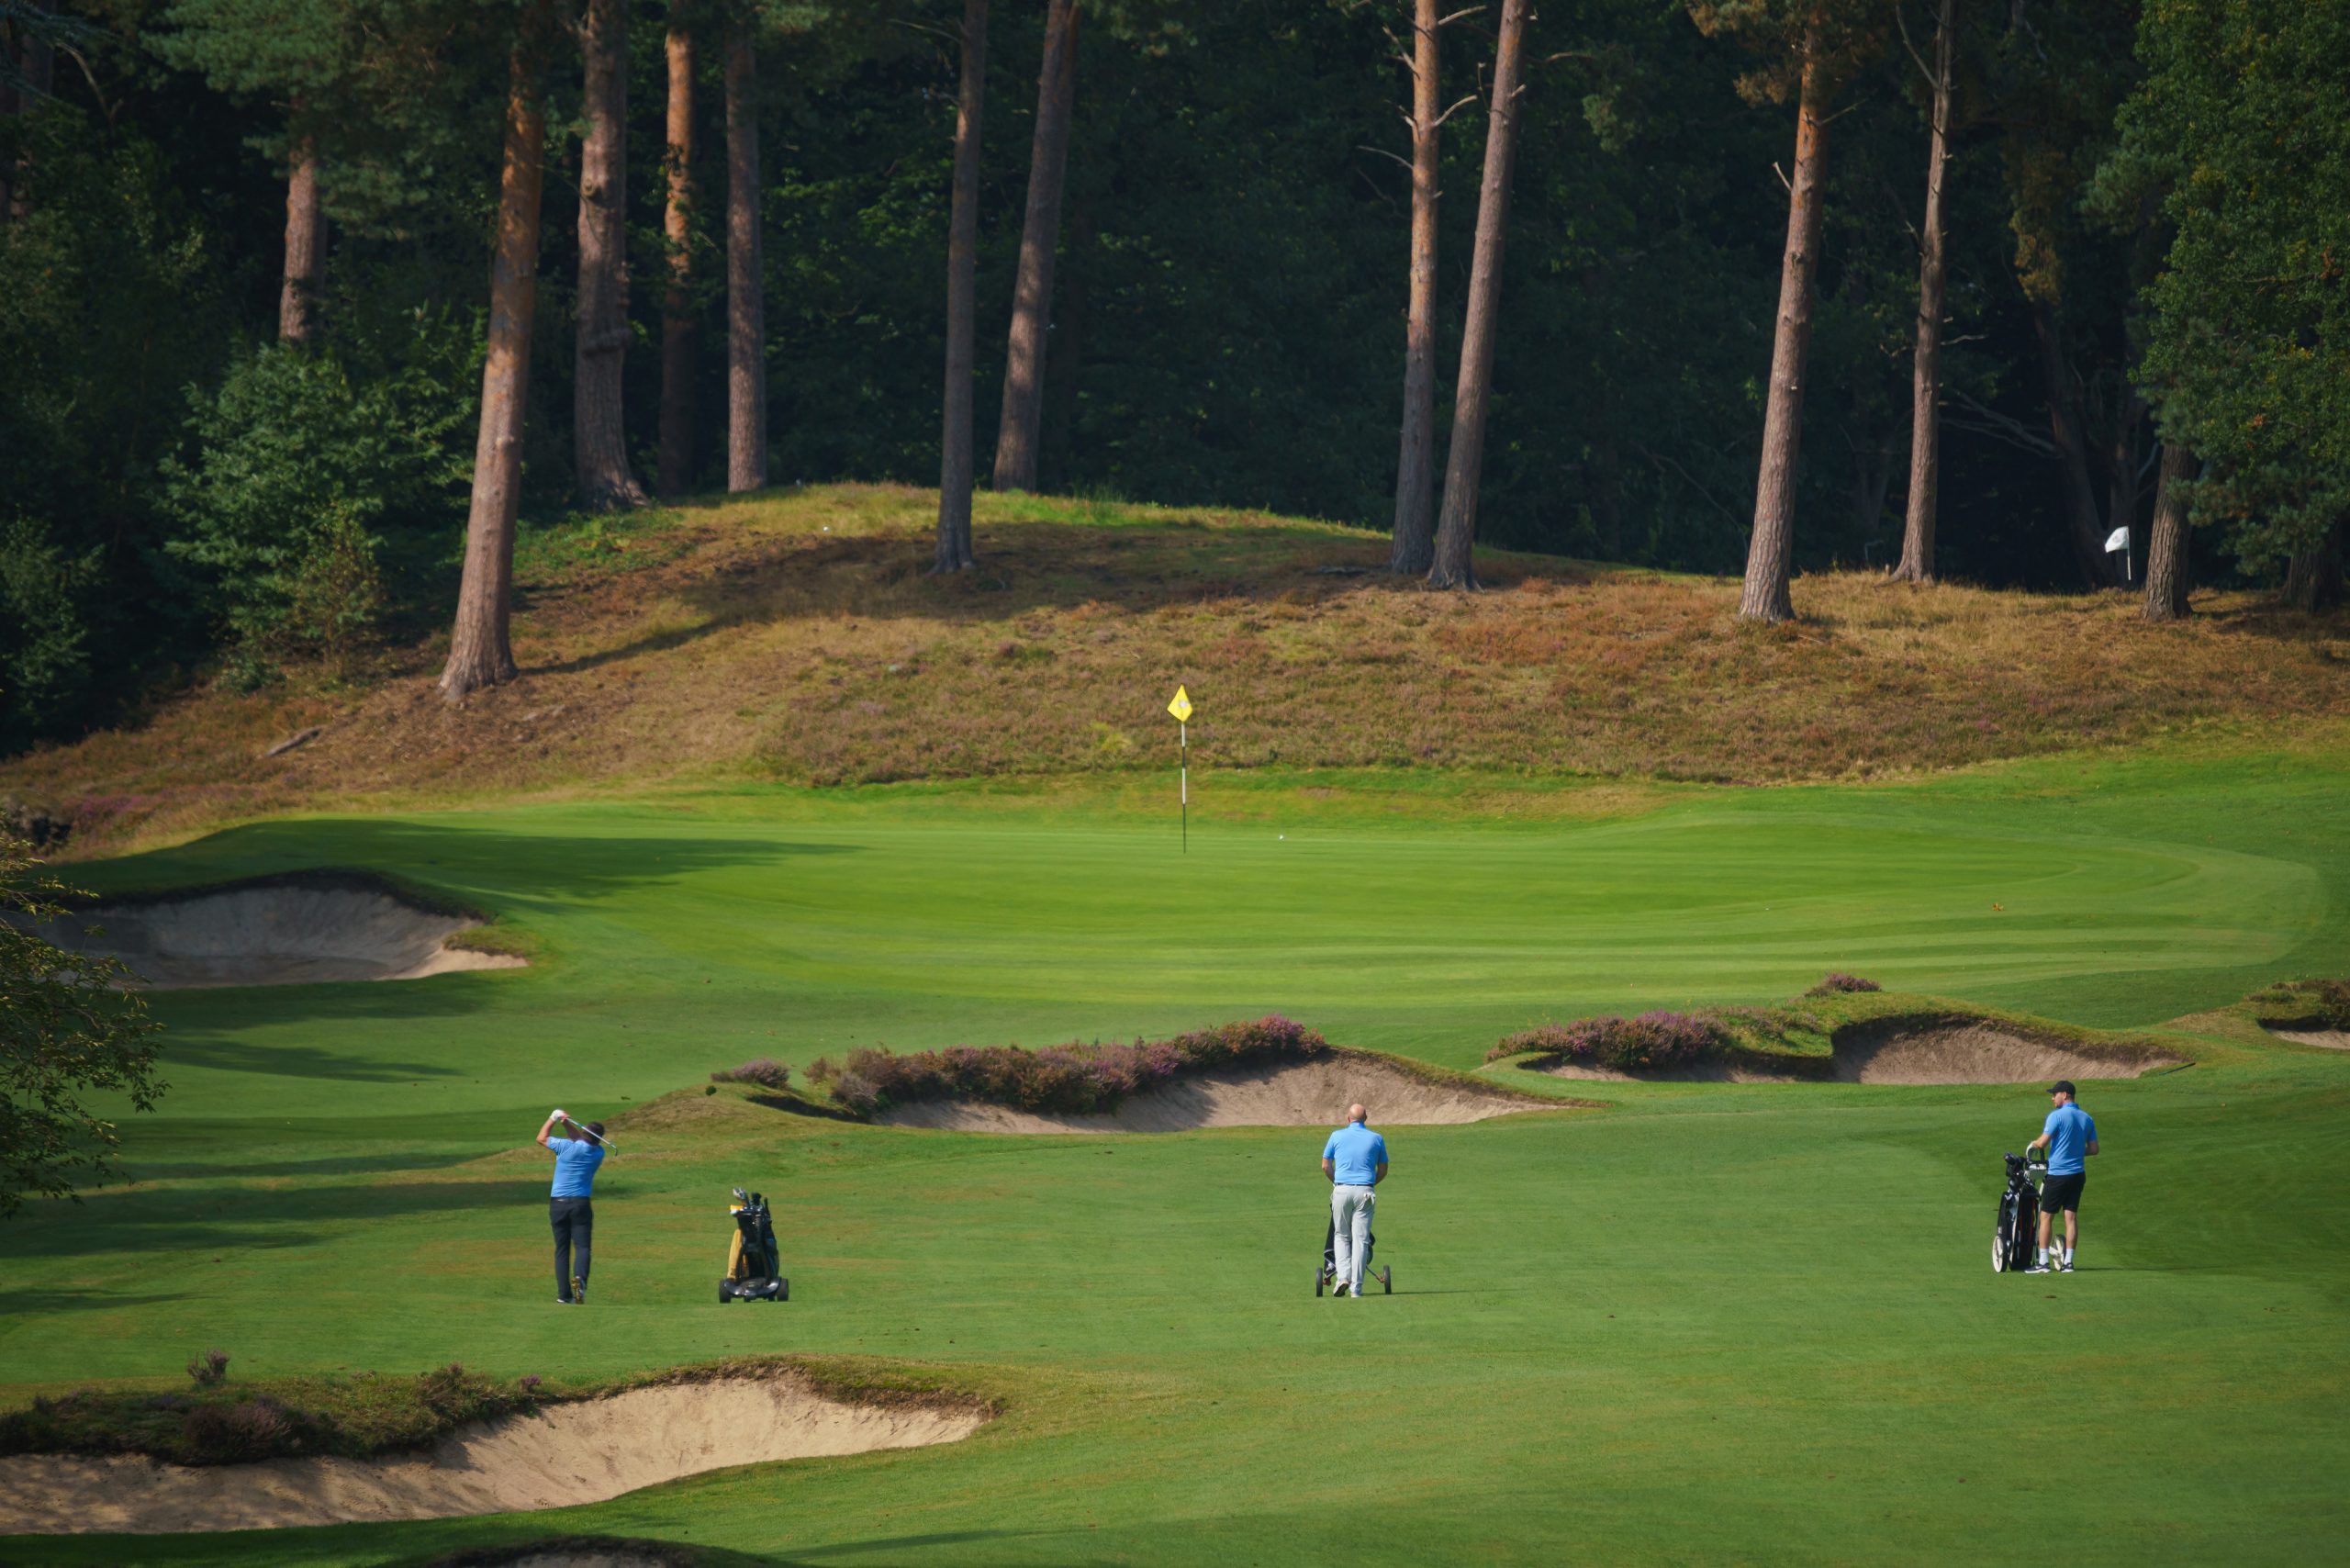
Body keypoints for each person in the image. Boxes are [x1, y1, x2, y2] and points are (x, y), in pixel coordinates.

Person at [2025, 1081, 2097, 1274]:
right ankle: (2068, 1263)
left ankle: (2043, 1263)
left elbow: (2042, 1143)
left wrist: (2033, 1144)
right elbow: (2093, 1149)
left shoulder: (2056, 1116)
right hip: (2077, 1175)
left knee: (2046, 1216)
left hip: (2058, 1175)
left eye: (2054, 1094)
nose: (2052, 1098)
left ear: (2064, 1095)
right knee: (2070, 1218)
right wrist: (2074, 1151)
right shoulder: (2087, 1118)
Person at [536, 1108, 608, 1304]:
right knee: (583, 1247)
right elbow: (582, 1142)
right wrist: (566, 1123)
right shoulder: (599, 1152)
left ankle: (564, 1296)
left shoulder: (566, 1146)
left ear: (584, 1133)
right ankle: (580, 1280)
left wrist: (553, 1118)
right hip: (581, 1204)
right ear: (599, 1139)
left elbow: (541, 1138)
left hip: (558, 1204)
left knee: (562, 1249)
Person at [1320, 1103, 1388, 1299]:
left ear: (1348, 1119)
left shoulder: (1336, 1136)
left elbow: (1325, 1166)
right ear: (1365, 1118)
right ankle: (1356, 1289)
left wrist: (1337, 1182)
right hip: (1365, 1192)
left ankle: (1343, 1277)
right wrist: (1370, 1183)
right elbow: (1383, 1169)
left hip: (1342, 1190)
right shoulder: (1377, 1138)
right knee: (1361, 1240)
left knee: (1341, 1235)